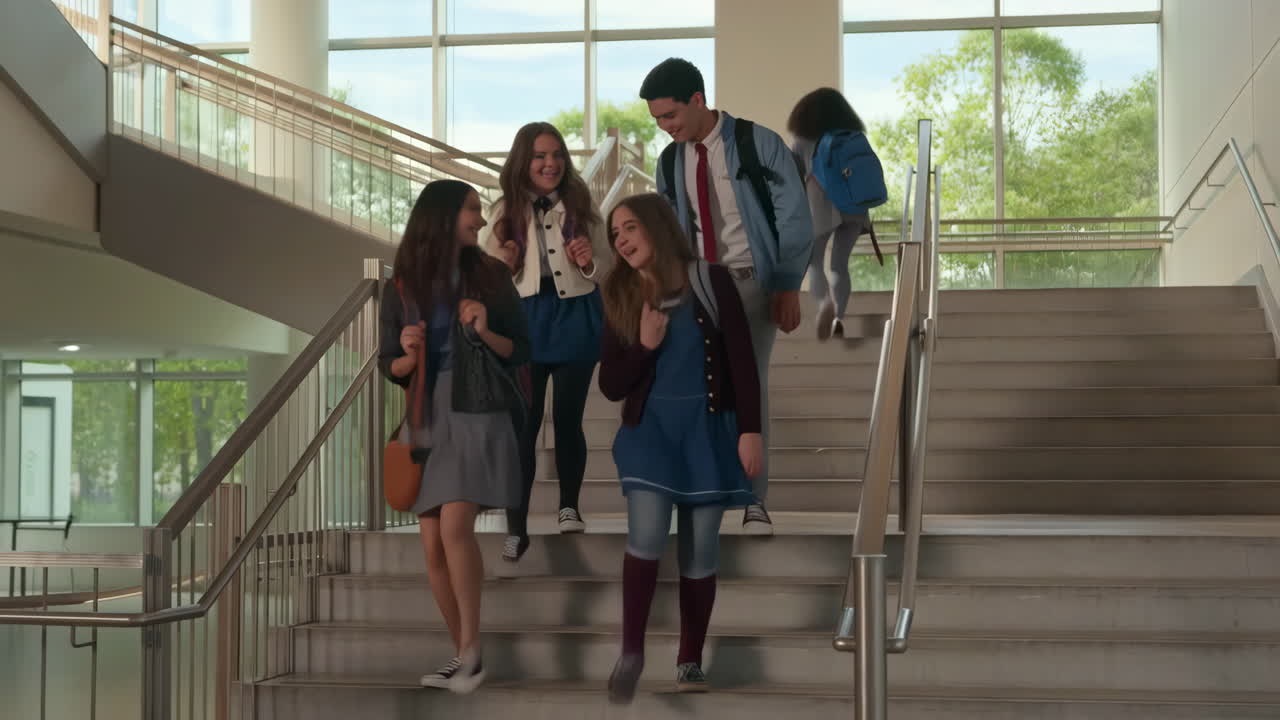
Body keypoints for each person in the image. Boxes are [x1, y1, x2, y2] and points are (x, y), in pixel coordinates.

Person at [598, 193, 763, 703]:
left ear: (656, 226)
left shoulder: (711, 281)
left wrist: (751, 430)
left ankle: (689, 659)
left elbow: (742, 360)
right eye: (615, 235)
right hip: (649, 434)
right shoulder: (618, 293)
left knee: (701, 549)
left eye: (629, 228)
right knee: (646, 534)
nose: (621, 241)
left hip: (709, 432)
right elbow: (610, 384)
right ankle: (631, 653)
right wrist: (645, 345)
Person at [640, 57, 814, 535]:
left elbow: (796, 220)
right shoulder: (670, 160)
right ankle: (705, 493)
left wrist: (786, 285)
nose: (665, 128)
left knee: (748, 384)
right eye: (657, 120)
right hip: (696, 286)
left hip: (751, 281)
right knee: (697, 388)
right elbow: (672, 231)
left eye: (670, 116)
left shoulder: (758, 144)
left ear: (697, 101)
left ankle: (754, 500)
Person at [379, 179, 531, 694]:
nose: (482, 221)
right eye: (472, 210)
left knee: (454, 528)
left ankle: (471, 655)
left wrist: (485, 330)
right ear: (443, 215)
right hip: (426, 413)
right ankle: (465, 651)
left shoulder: (490, 275)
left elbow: (521, 350)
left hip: (476, 410)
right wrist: (407, 353)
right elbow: (389, 365)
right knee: (431, 547)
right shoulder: (401, 284)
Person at [481, 122, 612, 564]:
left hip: (575, 317)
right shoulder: (501, 210)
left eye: (556, 154)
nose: (550, 163)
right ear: (523, 161)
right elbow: (485, 280)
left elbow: (607, 271)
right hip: (523, 321)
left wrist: (590, 262)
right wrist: (506, 266)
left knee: (569, 420)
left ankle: (569, 506)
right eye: (539, 156)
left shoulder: (582, 204)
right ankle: (516, 527)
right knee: (523, 426)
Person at [788, 87, 877, 340]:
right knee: (840, 265)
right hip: (855, 208)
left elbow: (792, 177)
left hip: (820, 206)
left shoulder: (803, 139)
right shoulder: (855, 136)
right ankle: (839, 317)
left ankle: (824, 303)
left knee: (814, 262)